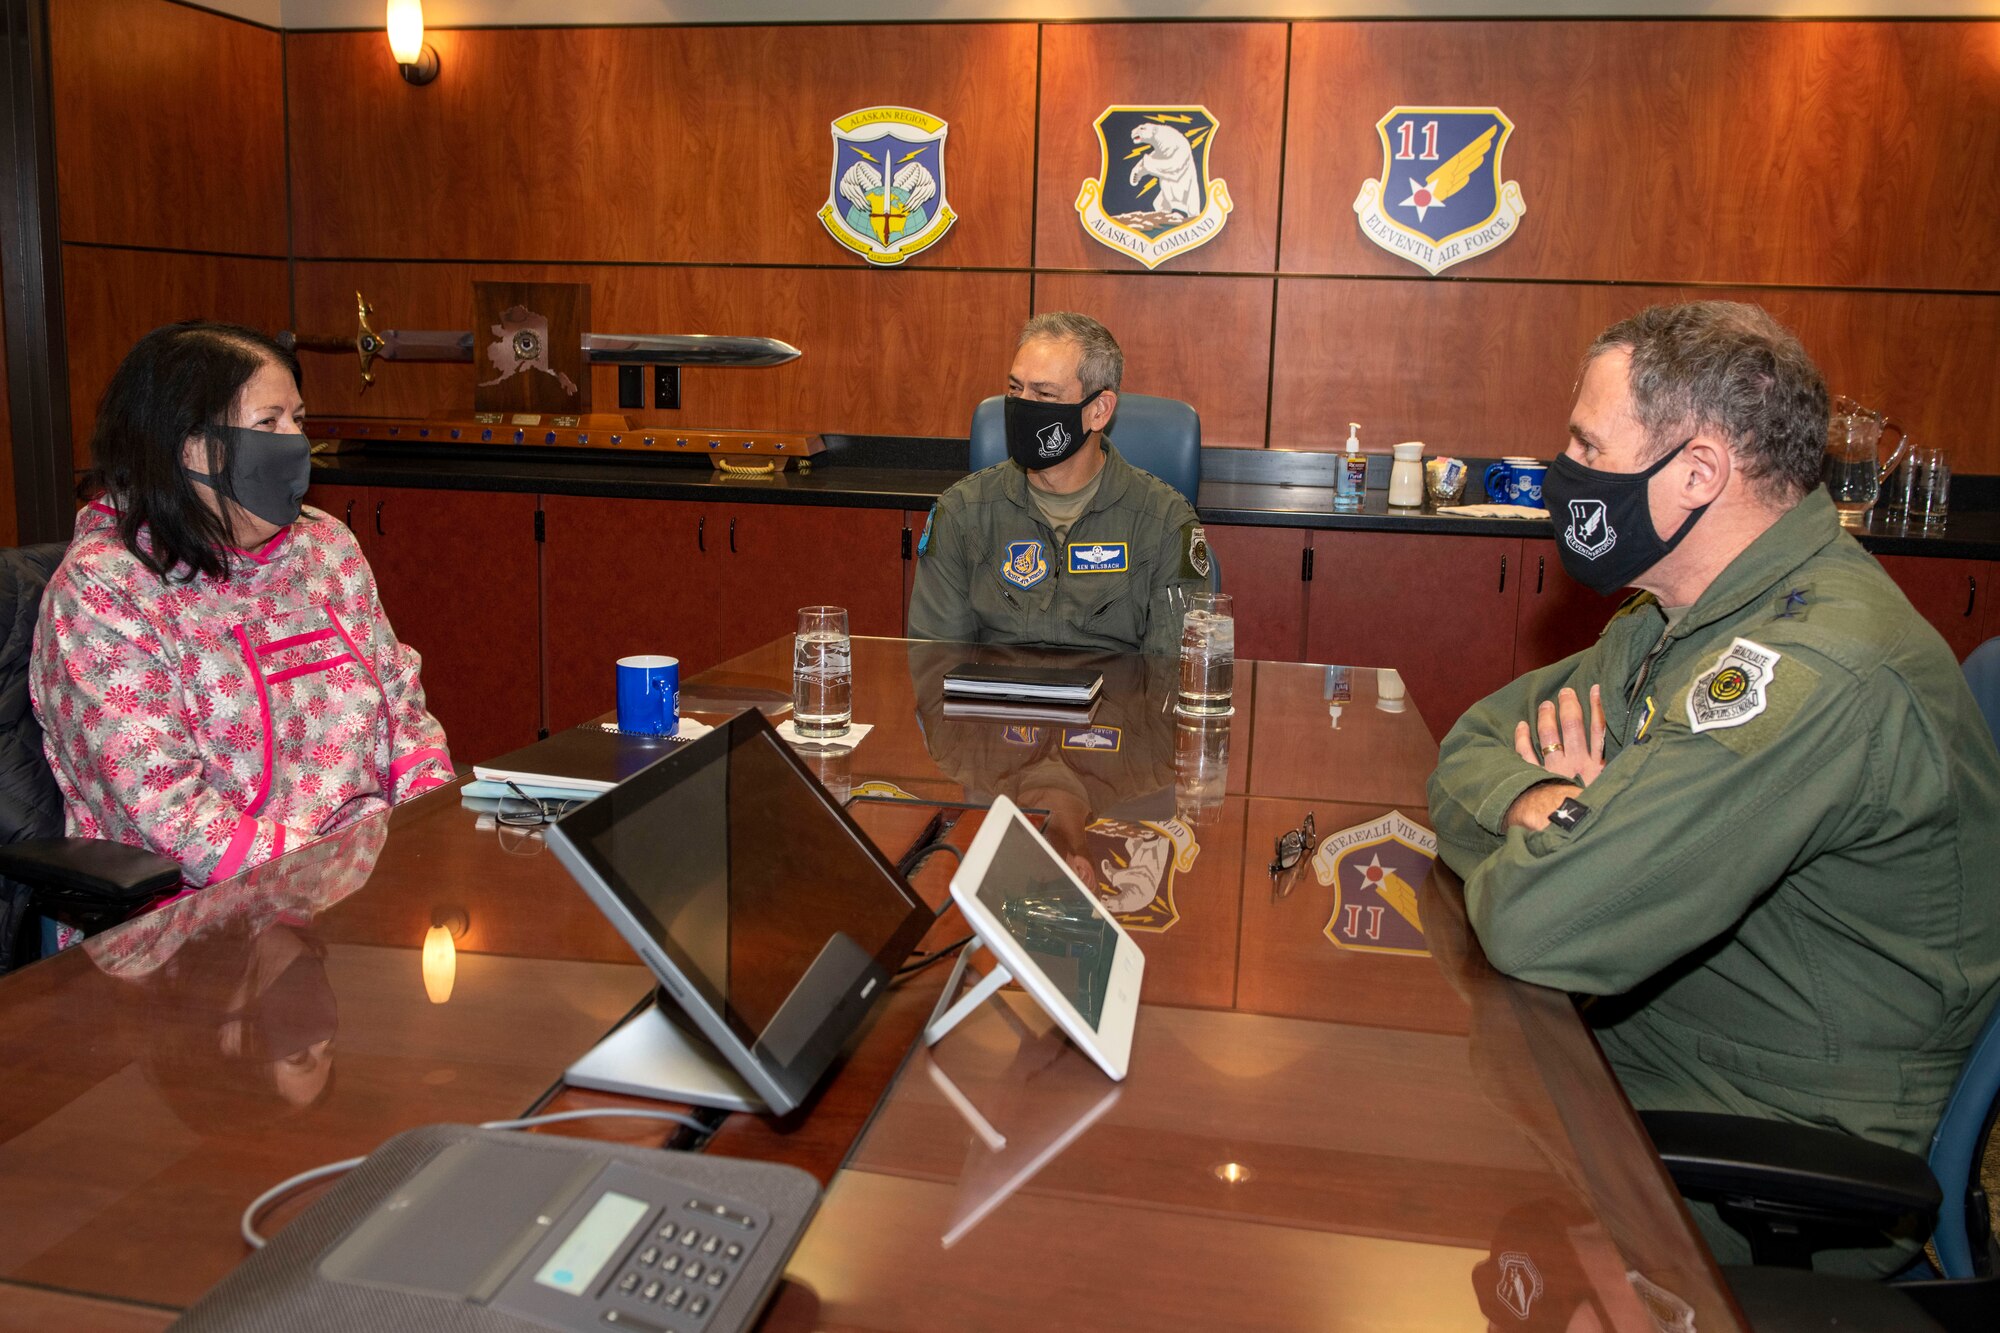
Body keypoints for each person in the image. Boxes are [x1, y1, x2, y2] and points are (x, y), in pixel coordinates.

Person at [1425, 302, 2000, 1271]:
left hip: (1768, 1135)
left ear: (1694, 474)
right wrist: (1554, 808)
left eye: (1584, 444)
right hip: (1644, 1042)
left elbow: (1535, 923)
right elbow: (1472, 740)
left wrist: (1564, 847)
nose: (1562, 472)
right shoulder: (1674, 614)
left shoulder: (1807, 670)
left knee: (1419, 1198)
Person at [31, 321, 452, 899]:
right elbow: (162, 812)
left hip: (367, 879)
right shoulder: (103, 590)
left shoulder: (325, 546)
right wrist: (330, 884)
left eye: (298, 420)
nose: (295, 442)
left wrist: (434, 836)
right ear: (188, 446)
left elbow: (400, 707)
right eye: (268, 423)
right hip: (201, 917)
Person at [908, 312, 1210, 655]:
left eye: (1044, 395)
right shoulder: (961, 514)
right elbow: (933, 665)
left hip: (1115, 705)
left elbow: (1171, 679)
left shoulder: (1165, 523)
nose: (1022, 405)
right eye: (1014, 388)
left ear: (1098, 410)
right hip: (995, 706)